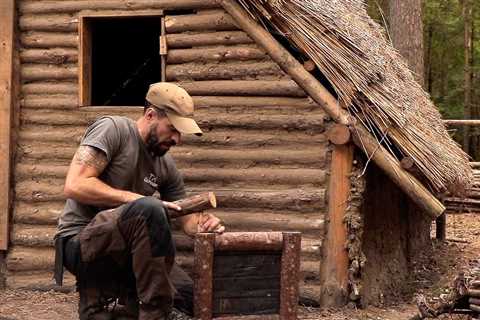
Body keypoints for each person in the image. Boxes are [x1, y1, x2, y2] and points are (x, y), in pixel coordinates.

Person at [54, 83, 225, 320]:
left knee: (189, 297)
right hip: (80, 245)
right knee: (148, 208)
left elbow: (185, 220)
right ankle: (154, 316)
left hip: (128, 253)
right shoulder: (113, 129)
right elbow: (74, 185)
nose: (177, 139)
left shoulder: (166, 165)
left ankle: (106, 309)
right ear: (150, 115)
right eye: (173, 129)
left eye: (180, 132)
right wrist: (137, 200)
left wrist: (202, 227)